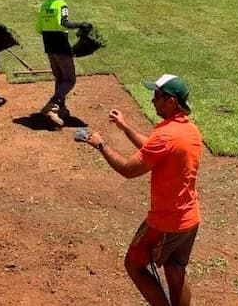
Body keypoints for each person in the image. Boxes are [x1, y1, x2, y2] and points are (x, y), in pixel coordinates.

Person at [82, 74, 202, 306]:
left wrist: (101, 144)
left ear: (170, 101)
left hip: (165, 222)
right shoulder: (189, 131)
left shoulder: (166, 136)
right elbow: (154, 150)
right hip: (189, 219)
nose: (152, 101)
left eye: (156, 97)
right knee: (175, 268)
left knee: (134, 265)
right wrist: (125, 127)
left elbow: (128, 170)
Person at [35, 0, 90, 127]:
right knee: (70, 79)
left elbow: (38, 28)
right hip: (60, 45)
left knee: (60, 78)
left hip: (48, 45)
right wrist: (81, 24)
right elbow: (64, 23)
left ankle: (61, 108)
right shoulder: (62, 5)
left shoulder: (45, 5)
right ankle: (51, 106)